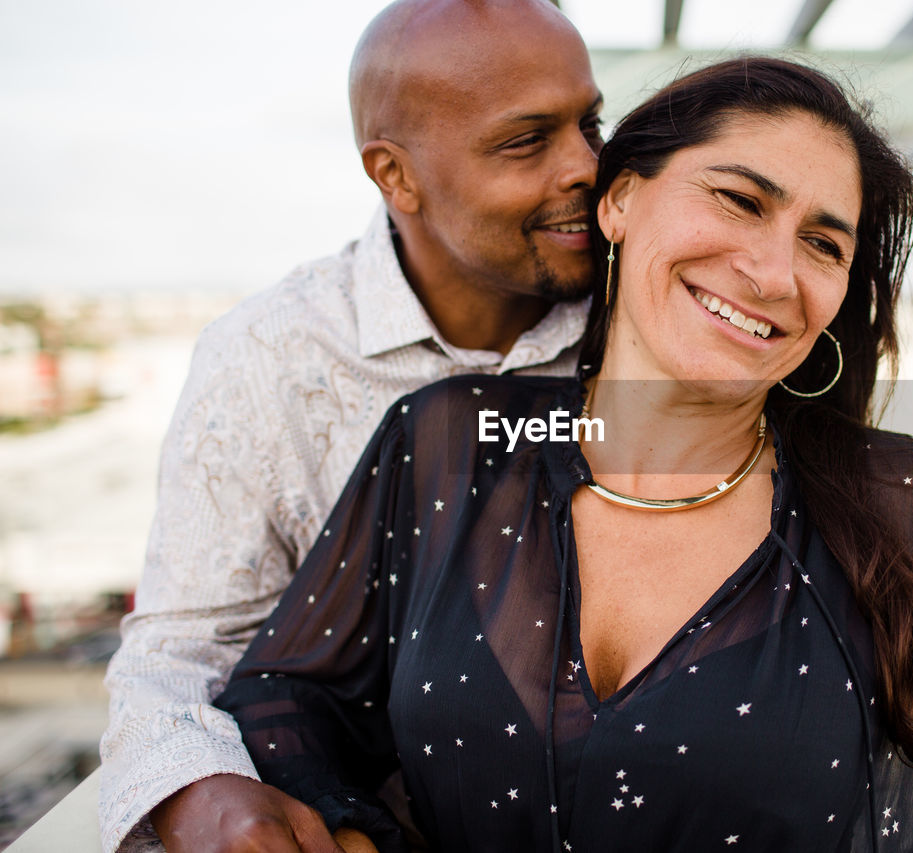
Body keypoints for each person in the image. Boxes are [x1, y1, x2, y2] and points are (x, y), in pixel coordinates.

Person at [215, 57, 913, 852]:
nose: (772, 272)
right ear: (621, 200)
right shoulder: (454, 443)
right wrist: (343, 830)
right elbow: (287, 690)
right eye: (738, 199)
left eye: (823, 245)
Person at [98, 1, 605, 850]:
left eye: (591, 122)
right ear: (394, 175)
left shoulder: (660, 311)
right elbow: (183, 650)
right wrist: (202, 795)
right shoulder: (265, 358)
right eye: (527, 140)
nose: (588, 166)